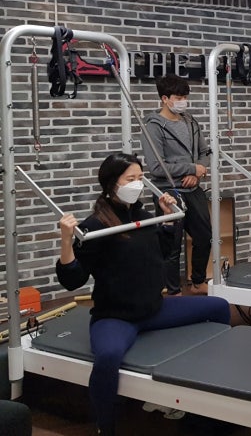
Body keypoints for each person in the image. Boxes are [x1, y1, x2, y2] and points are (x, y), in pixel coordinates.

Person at [56, 153, 231, 436]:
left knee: (219, 307)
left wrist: (167, 219)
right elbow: (72, 280)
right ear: (112, 184)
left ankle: (213, 388)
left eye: (140, 178)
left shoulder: (142, 216)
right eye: (130, 179)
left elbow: (163, 251)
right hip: (116, 317)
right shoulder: (94, 226)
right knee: (108, 356)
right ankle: (105, 426)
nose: (137, 184)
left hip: (154, 309)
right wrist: (66, 241)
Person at [141, 74, 211, 295]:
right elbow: (156, 167)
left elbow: (205, 152)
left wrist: (197, 172)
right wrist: (191, 168)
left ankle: (198, 282)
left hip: (194, 188)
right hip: (168, 193)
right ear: (165, 98)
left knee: (204, 237)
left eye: (185, 97)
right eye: (178, 98)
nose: (183, 101)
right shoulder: (153, 126)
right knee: (171, 245)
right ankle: (173, 291)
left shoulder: (191, 122)